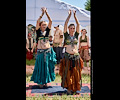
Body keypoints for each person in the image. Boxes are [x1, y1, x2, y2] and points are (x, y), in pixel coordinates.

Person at [30, 7, 57, 88]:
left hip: (48, 51)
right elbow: (37, 21)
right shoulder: (38, 32)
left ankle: (45, 81)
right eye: (43, 25)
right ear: (40, 25)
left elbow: (51, 21)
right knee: (40, 67)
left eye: (45, 24)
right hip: (41, 52)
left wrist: (47, 13)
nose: (45, 26)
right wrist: (42, 14)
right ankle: (40, 82)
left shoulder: (48, 31)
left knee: (47, 67)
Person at [59, 10, 83, 94]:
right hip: (68, 57)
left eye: (73, 28)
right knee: (68, 73)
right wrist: (69, 16)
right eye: (71, 28)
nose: (72, 29)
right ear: (68, 29)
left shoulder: (76, 35)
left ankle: (75, 88)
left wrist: (75, 16)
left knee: (76, 73)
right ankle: (69, 88)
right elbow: (65, 24)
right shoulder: (66, 35)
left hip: (76, 56)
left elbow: (78, 25)